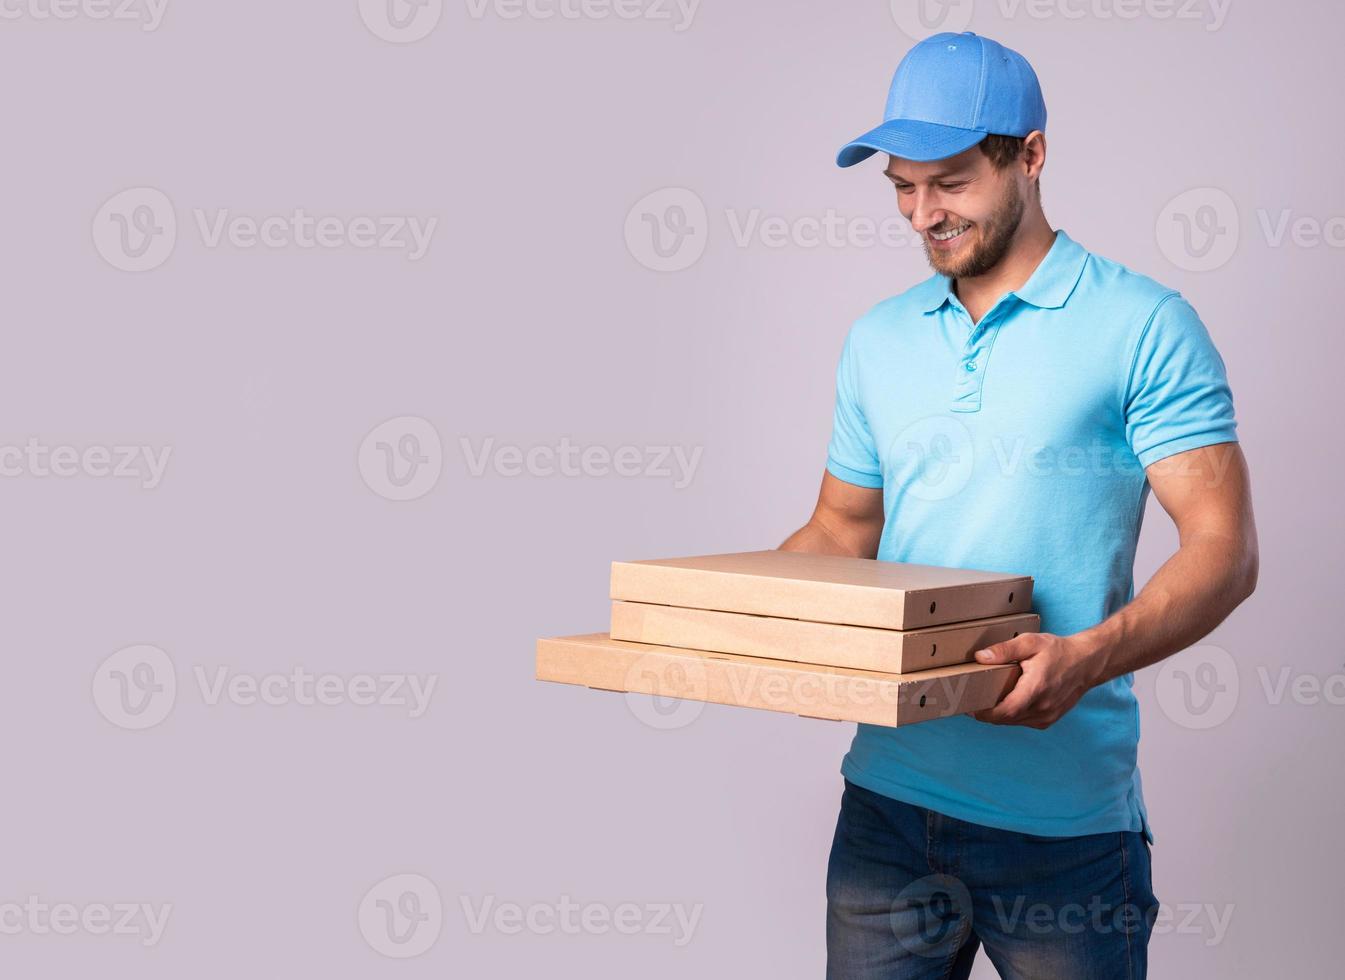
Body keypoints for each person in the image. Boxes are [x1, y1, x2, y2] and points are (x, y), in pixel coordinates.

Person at [780, 31, 1259, 980]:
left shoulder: (1142, 326)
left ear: (1029, 155)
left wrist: (1087, 658)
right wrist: (718, 624)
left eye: (950, 181)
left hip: (1064, 828)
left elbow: (1223, 550)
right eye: (902, 188)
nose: (924, 214)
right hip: (884, 808)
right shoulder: (877, 340)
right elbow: (841, 529)